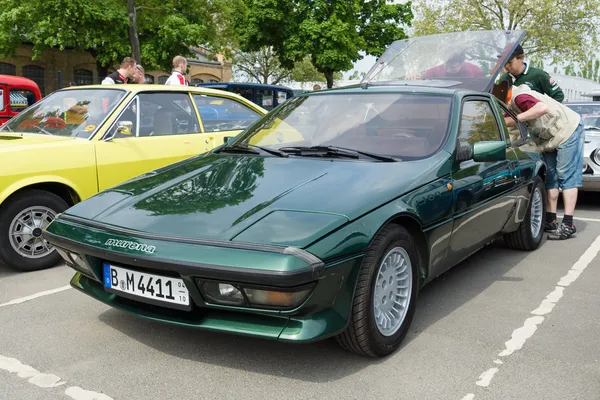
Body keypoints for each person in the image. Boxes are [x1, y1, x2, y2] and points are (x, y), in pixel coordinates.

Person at [504, 83, 584, 240]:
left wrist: (516, 119)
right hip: (549, 138)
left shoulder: (519, 97)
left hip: (568, 130)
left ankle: (568, 224)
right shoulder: (509, 108)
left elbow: (541, 108)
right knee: (551, 176)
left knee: (566, 176)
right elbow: (513, 136)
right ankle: (551, 220)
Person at [499, 45, 564, 103]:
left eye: (510, 62)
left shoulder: (539, 75)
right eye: (504, 62)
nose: (507, 65)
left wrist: (544, 111)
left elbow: (558, 95)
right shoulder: (504, 79)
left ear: (521, 58)